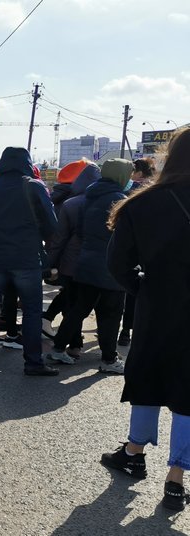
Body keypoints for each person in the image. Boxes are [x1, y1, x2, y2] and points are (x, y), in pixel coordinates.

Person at [100, 128, 190, 512]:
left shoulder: (140, 203)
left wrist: (146, 289)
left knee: (147, 374)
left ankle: (134, 453)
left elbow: (117, 265)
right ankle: (176, 478)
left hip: (156, 304)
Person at [0, 147, 58, 375]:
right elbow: (52, 225)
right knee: (32, 311)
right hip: (26, 257)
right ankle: (33, 362)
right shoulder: (34, 186)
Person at [45, 159, 131, 373]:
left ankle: (57, 348)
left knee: (77, 310)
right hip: (111, 267)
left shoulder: (87, 198)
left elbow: (78, 233)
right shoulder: (120, 201)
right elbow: (126, 237)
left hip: (86, 264)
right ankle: (109, 360)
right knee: (110, 315)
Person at [42, 161, 100, 349]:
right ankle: (72, 342)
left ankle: (69, 338)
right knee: (79, 301)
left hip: (59, 256)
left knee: (71, 298)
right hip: (78, 258)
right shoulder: (81, 200)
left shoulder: (55, 196)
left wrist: (50, 261)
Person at [117, 157, 156, 347]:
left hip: (134, 247)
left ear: (139, 172)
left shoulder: (131, 191)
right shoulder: (161, 190)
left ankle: (125, 331)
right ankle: (128, 330)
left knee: (131, 290)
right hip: (152, 249)